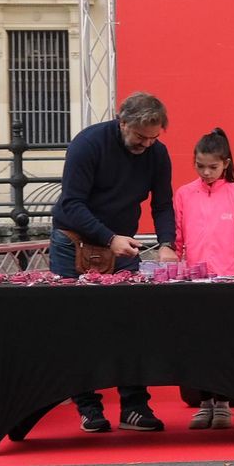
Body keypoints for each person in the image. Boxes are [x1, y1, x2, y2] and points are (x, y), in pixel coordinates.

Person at [50, 91, 179, 433]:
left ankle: (134, 406)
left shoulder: (157, 153)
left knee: (130, 324)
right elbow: (72, 203)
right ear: (122, 122)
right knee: (76, 326)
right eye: (140, 137)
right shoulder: (88, 144)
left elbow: (162, 204)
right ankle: (88, 407)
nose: (146, 145)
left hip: (121, 246)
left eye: (153, 138)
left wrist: (167, 243)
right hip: (73, 242)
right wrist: (110, 239)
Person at [175, 128, 234, 429]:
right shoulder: (184, 194)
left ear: (226, 164)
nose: (206, 172)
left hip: (228, 282)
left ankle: (223, 403)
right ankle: (204, 402)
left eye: (212, 167)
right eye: (200, 166)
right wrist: (175, 270)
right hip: (194, 282)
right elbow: (177, 240)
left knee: (225, 344)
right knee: (198, 344)